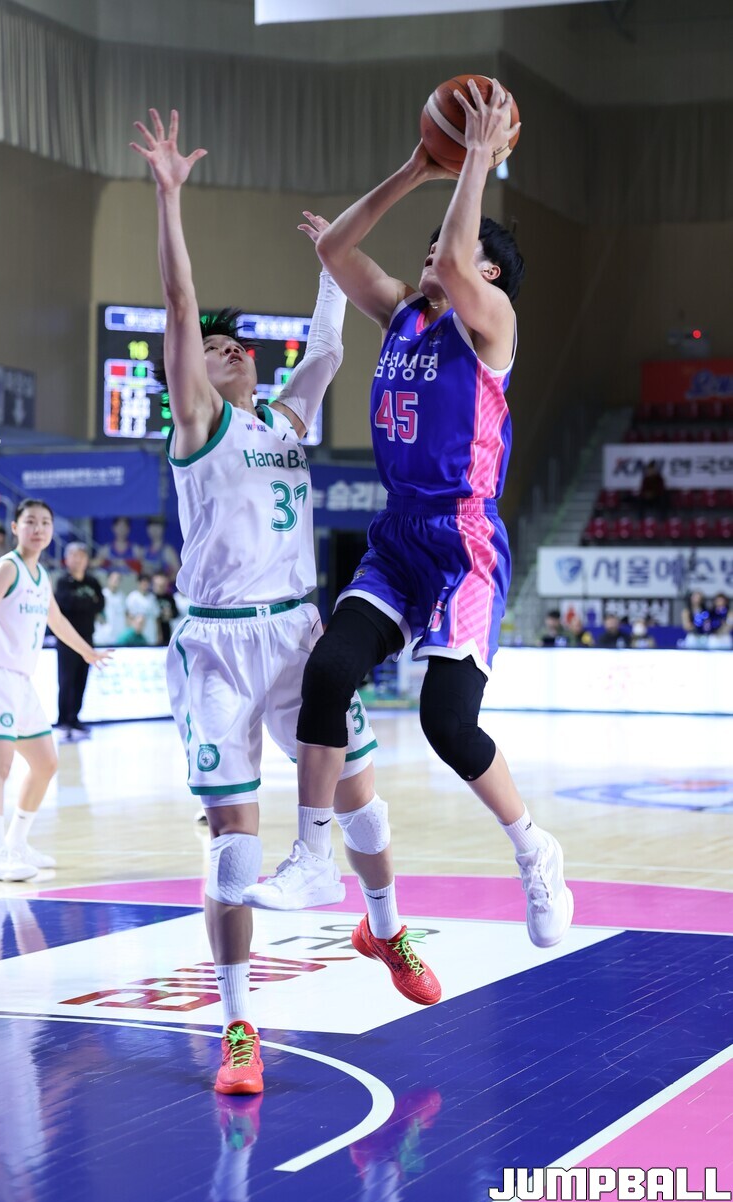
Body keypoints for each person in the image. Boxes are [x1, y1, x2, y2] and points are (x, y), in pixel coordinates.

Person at [130, 106, 438, 1097]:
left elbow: (330, 350)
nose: (225, 351)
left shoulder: (285, 419)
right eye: (213, 347)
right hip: (218, 649)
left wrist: (329, 268)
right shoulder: (196, 423)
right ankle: (237, 1028)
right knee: (234, 851)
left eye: (235, 346)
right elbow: (179, 302)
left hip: (298, 637)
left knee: (363, 807)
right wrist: (170, 199)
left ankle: (384, 931)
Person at [253, 80, 573, 959]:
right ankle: (311, 857)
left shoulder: (491, 324)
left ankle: (534, 851)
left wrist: (478, 160)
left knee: (446, 723)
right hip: (398, 538)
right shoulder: (402, 314)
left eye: (452, 248)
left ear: (489, 272)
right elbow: (335, 251)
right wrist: (417, 167)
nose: (435, 252)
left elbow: (461, 261)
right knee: (329, 672)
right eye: (431, 246)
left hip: (463, 543)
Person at [0, 499, 111, 881]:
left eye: (45, 523)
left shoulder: (40, 575)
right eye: (30, 522)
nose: (38, 529)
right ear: (15, 527)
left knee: (46, 764)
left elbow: (56, 621)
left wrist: (87, 651)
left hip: (21, 681)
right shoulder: (7, 568)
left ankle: (16, 843)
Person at [54, 542, 106, 739]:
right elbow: (65, 604)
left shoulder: (92, 582)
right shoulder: (63, 582)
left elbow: (100, 604)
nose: (78, 560)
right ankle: (63, 721)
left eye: (81, 556)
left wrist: (82, 604)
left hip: (87, 637)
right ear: (67, 559)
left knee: (81, 679)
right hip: (67, 640)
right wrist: (87, 603)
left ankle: (75, 718)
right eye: (74, 556)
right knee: (65, 680)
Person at [94, 571, 127, 646]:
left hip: (119, 634)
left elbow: (125, 614)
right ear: (108, 579)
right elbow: (96, 613)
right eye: (113, 578)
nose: (115, 581)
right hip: (104, 635)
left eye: (118, 579)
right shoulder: (102, 594)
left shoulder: (122, 596)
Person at [125, 573, 159, 645]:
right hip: (137, 634)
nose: (145, 584)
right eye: (143, 582)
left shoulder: (152, 598)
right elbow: (129, 617)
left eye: (147, 582)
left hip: (151, 632)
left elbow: (156, 618)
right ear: (138, 583)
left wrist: (159, 634)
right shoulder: (132, 597)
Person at [151, 571, 179, 645]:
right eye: (159, 585)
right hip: (153, 631)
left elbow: (176, 613)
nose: (161, 587)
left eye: (163, 585)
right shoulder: (150, 597)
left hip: (168, 630)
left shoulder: (170, 597)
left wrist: (170, 614)